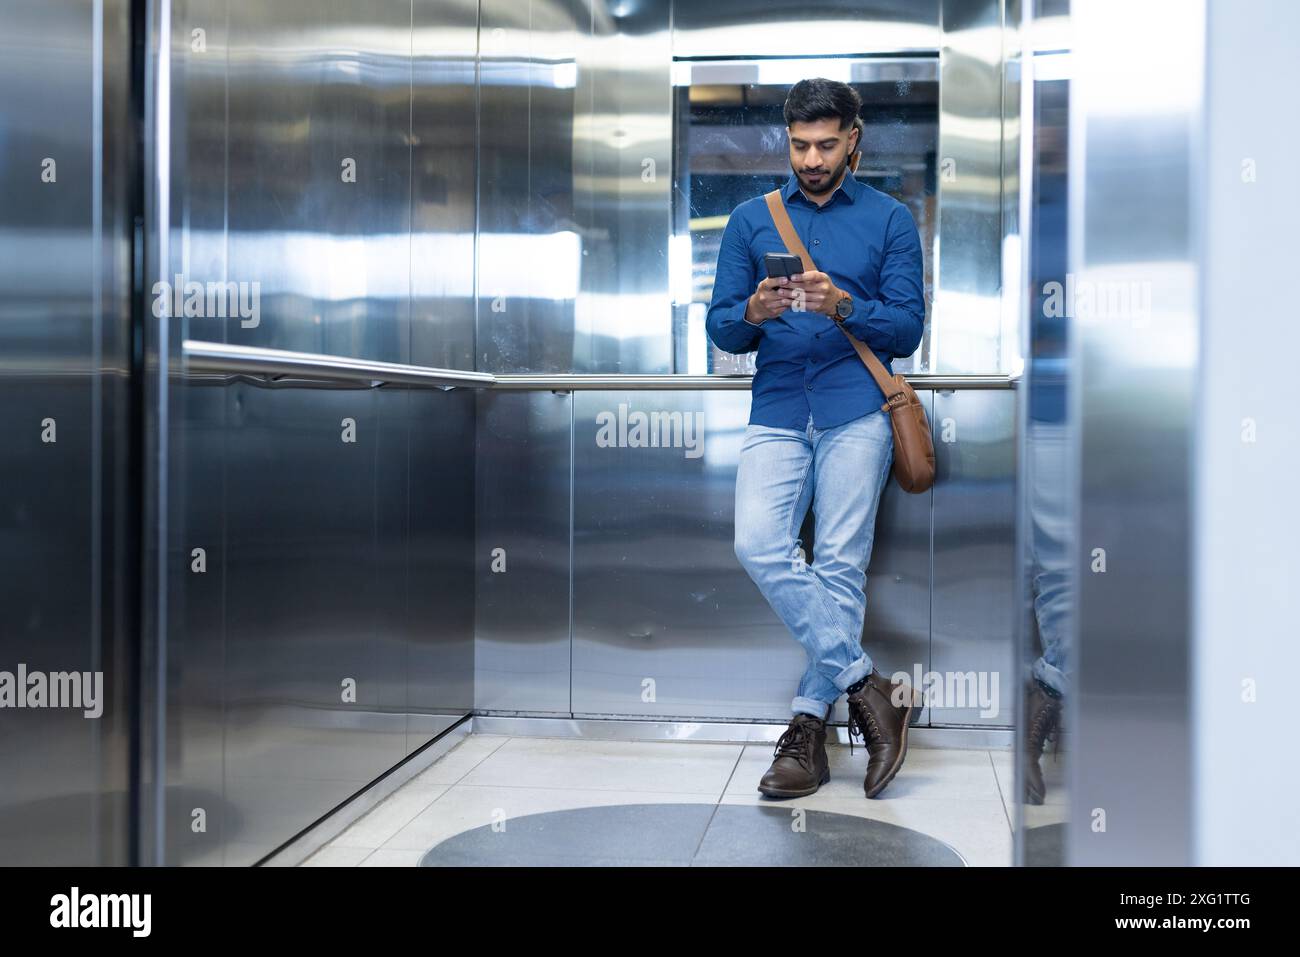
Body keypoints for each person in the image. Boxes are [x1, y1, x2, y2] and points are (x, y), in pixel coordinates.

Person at [705, 78, 926, 799]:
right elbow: (721, 327)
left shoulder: (891, 219)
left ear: (852, 139)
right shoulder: (749, 220)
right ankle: (869, 687)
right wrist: (754, 307)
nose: (811, 158)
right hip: (776, 408)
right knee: (758, 543)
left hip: (856, 410)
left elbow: (907, 327)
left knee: (838, 567)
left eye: (826, 144)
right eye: (800, 145)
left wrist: (845, 305)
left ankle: (806, 731)